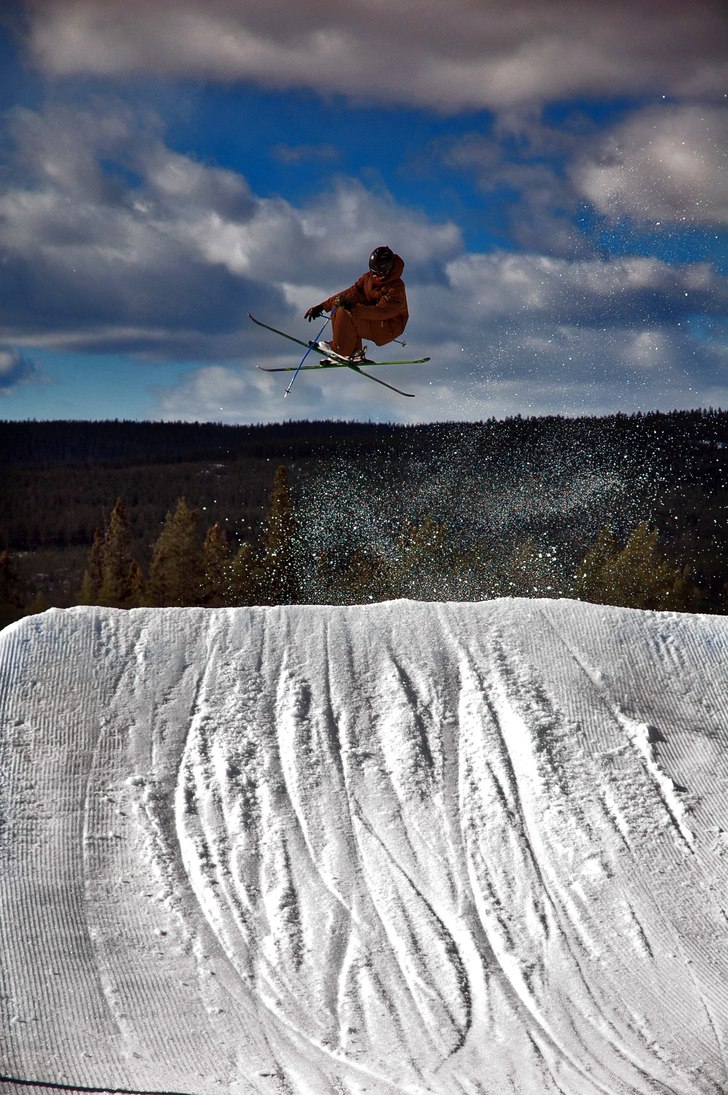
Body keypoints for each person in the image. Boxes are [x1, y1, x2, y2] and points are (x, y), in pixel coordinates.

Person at [305, 246, 408, 361]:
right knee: (341, 302)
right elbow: (350, 293)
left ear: (387, 271)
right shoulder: (368, 279)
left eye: (379, 274)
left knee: (347, 310)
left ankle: (342, 350)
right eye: (373, 272)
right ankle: (354, 351)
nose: (375, 276)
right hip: (376, 322)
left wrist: (352, 308)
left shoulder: (396, 287)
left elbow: (382, 312)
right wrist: (322, 307)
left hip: (389, 327)